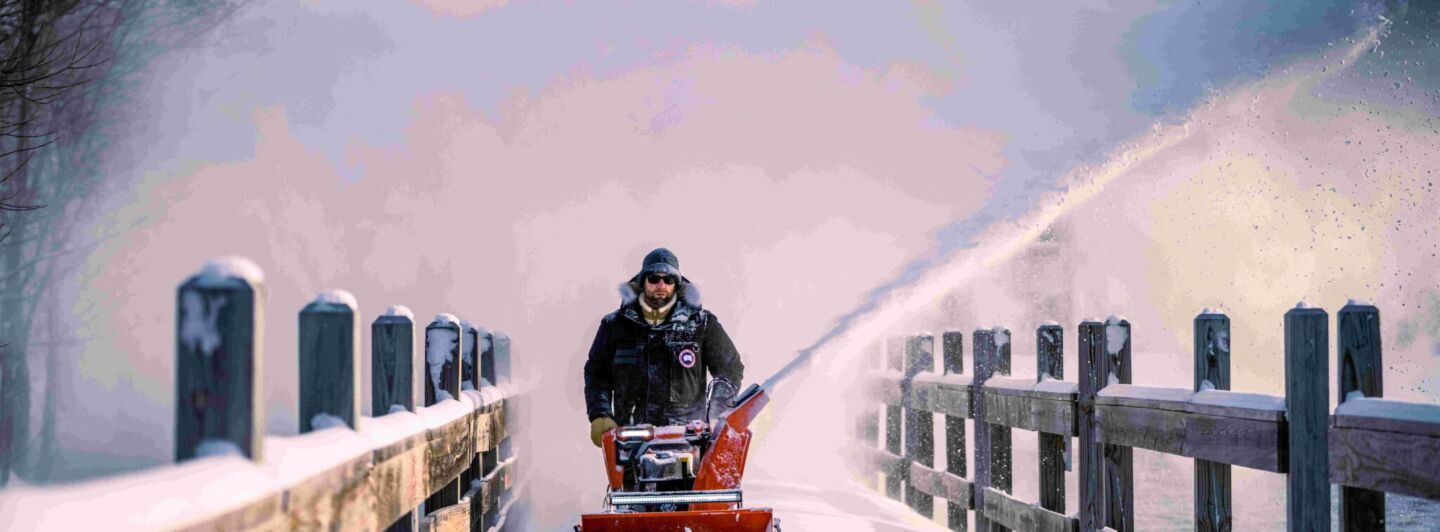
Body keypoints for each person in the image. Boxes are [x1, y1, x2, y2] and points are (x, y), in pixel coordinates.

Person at [583, 247, 744, 447]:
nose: (661, 285)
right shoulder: (615, 325)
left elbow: (730, 368)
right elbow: (597, 374)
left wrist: (718, 413)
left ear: (677, 284)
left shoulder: (701, 325)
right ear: (642, 282)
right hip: (631, 440)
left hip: (687, 441)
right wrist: (600, 414)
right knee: (629, 479)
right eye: (653, 278)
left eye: (668, 280)